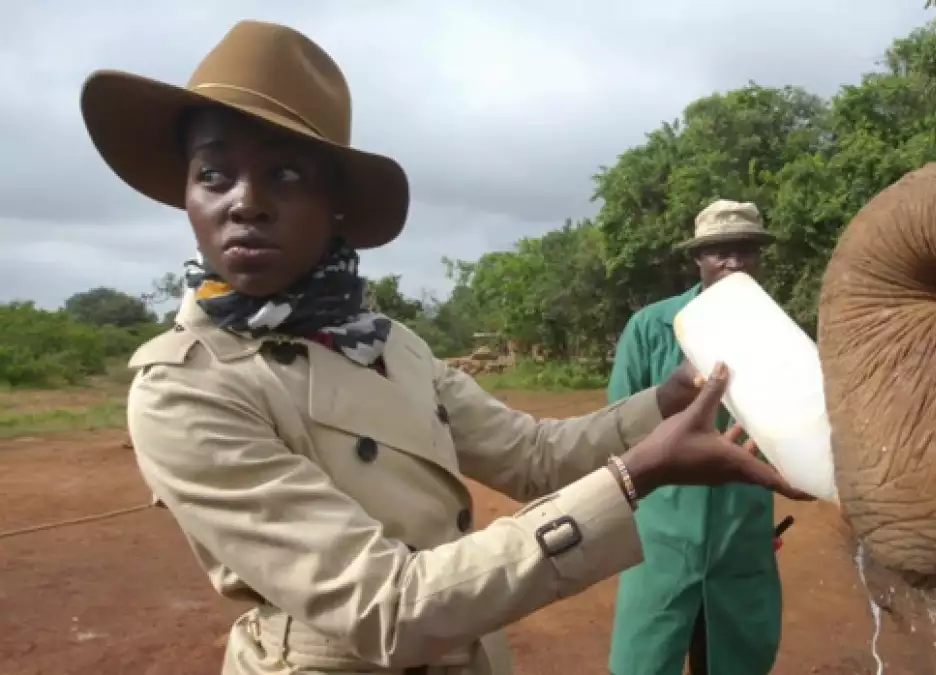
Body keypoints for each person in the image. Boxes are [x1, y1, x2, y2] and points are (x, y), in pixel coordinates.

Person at [82, 21, 809, 675]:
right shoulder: (185, 385)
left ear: (335, 204)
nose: (244, 200)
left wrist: (671, 398)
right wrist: (634, 477)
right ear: (187, 196)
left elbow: (533, 455)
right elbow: (385, 607)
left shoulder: (389, 345)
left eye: (285, 171)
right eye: (214, 173)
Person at [608, 199, 798, 675]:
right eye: (719, 251)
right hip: (661, 534)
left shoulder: (781, 333)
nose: (733, 262)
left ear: (759, 256)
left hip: (743, 533)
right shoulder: (652, 326)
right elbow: (614, 425)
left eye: (745, 249)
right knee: (647, 658)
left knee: (737, 657)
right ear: (697, 258)